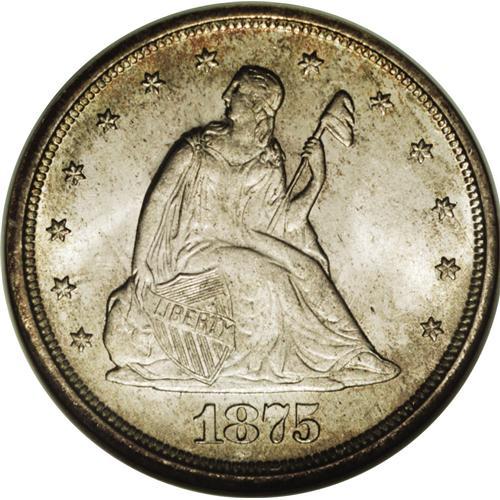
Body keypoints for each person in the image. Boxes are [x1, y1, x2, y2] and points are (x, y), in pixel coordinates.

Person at [103, 65, 399, 389]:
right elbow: (158, 201)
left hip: (246, 239)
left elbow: (285, 224)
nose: (226, 96)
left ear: (257, 106)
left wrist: (317, 179)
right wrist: (140, 264)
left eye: (236, 91)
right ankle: (309, 359)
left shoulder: (268, 157)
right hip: (196, 249)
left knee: (308, 268)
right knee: (269, 275)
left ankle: (355, 354)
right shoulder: (196, 148)